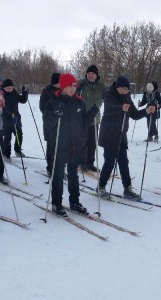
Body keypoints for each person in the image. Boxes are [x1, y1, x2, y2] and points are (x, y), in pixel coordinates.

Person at [44, 73, 99, 216]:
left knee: (73, 175)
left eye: (74, 86)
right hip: (59, 145)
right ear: (62, 86)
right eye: (69, 86)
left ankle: (74, 202)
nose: (72, 89)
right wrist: (55, 114)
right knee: (58, 175)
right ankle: (57, 203)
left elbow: (83, 124)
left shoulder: (79, 102)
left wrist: (91, 115)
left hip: (75, 145)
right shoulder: (53, 101)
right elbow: (48, 124)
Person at [97, 76, 156, 200]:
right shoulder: (109, 95)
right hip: (109, 135)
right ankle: (101, 187)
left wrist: (146, 111)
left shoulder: (127, 97)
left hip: (121, 135)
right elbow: (108, 109)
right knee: (109, 162)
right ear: (118, 87)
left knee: (124, 162)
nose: (126, 91)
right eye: (124, 89)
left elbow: (134, 114)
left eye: (128, 90)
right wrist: (120, 108)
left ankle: (127, 188)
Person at [76, 64, 106, 172]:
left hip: (95, 119)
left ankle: (90, 163)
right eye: (88, 73)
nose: (90, 75)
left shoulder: (101, 86)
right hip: (82, 119)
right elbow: (72, 95)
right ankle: (81, 162)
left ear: (96, 75)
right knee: (82, 142)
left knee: (92, 143)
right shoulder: (80, 84)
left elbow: (107, 97)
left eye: (92, 73)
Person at [0, 78, 28, 160]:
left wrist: (25, 92)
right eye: (8, 88)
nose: (10, 89)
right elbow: (1, 108)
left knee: (19, 135)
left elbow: (23, 100)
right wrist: (8, 115)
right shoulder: (1, 95)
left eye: (11, 87)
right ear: (4, 88)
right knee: (7, 137)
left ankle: (17, 150)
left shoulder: (14, 93)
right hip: (6, 119)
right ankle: (6, 154)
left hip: (16, 118)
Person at [39, 72, 60, 176]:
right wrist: (54, 112)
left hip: (61, 124)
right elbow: (42, 108)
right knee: (51, 146)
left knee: (60, 147)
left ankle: (59, 167)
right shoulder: (46, 92)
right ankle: (50, 168)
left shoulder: (63, 92)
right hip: (50, 124)